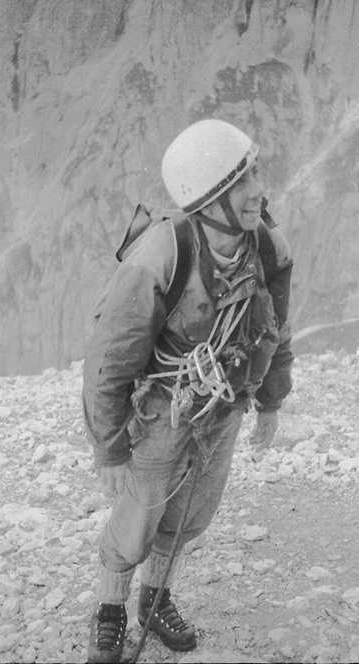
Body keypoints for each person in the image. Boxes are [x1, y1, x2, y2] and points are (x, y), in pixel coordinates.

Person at [82, 119, 294, 663]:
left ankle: (156, 599)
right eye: (239, 185)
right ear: (207, 200)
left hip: (224, 405)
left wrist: (271, 399)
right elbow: (110, 358)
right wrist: (109, 447)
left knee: (192, 514)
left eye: (254, 176)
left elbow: (277, 327)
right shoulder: (160, 257)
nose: (256, 193)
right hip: (163, 409)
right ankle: (111, 609)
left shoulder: (266, 248)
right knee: (139, 515)